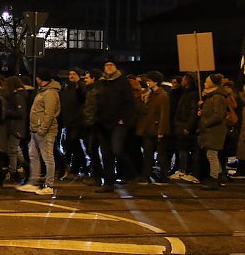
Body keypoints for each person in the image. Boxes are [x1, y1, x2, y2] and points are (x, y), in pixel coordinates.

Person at [94, 58, 136, 193]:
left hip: (118, 123)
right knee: (106, 154)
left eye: (112, 65)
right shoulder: (101, 82)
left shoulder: (123, 82)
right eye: (107, 65)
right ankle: (108, 183)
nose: (109, 67)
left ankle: (131, 175)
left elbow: (129, 102)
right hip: (102, 123)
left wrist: (124, 118)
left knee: (117, 150)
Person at [17, 67, 61, 196]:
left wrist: (42, 129)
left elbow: (49, 113)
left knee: (47, 157)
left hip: (44, 131)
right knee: (34, 156)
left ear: (40, 78)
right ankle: (33, 182)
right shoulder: (44, 91)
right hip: (36, 130)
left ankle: (49, 185)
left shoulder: (50, 93)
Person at [136, 71, 171, 184]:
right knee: (148, 155)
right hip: (149, 129)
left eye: (149, 81)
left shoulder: (162, 95)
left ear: (155, 81)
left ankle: (164, 177)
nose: (147, 83)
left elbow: (164, 114)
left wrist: (161, 131)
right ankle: (146, 176)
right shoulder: (152, 94)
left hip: (156, 130)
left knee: (160, 155)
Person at [198, 73, 229, 190]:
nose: (205, 83)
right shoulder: (211, 95)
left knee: (212, 154)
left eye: (207, 81)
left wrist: (206, 123)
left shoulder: (217, 96)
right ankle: (219, 175)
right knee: (211, 154)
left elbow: (218, 115)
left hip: (214, 130)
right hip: (211, 130)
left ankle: (214, 179)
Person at [170, 73, 200, 183]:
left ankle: (184, 170)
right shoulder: (186, 93)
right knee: (182, 149)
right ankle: (183, 170)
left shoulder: (192, 94)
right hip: (181, 124)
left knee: (185, 149)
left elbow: (192, 112)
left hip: (185, 125)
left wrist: (188, 126)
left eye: (183, 80)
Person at [58, 68, 86, 181]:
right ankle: (78, 164)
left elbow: (83, 100)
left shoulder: (81, 87)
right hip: (68, 120)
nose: (71, 76)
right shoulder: (66, 87)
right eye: (70, 74)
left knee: (73, 140)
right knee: (72, 143)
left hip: (78, 120)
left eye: (74, 74)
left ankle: (81, 163)